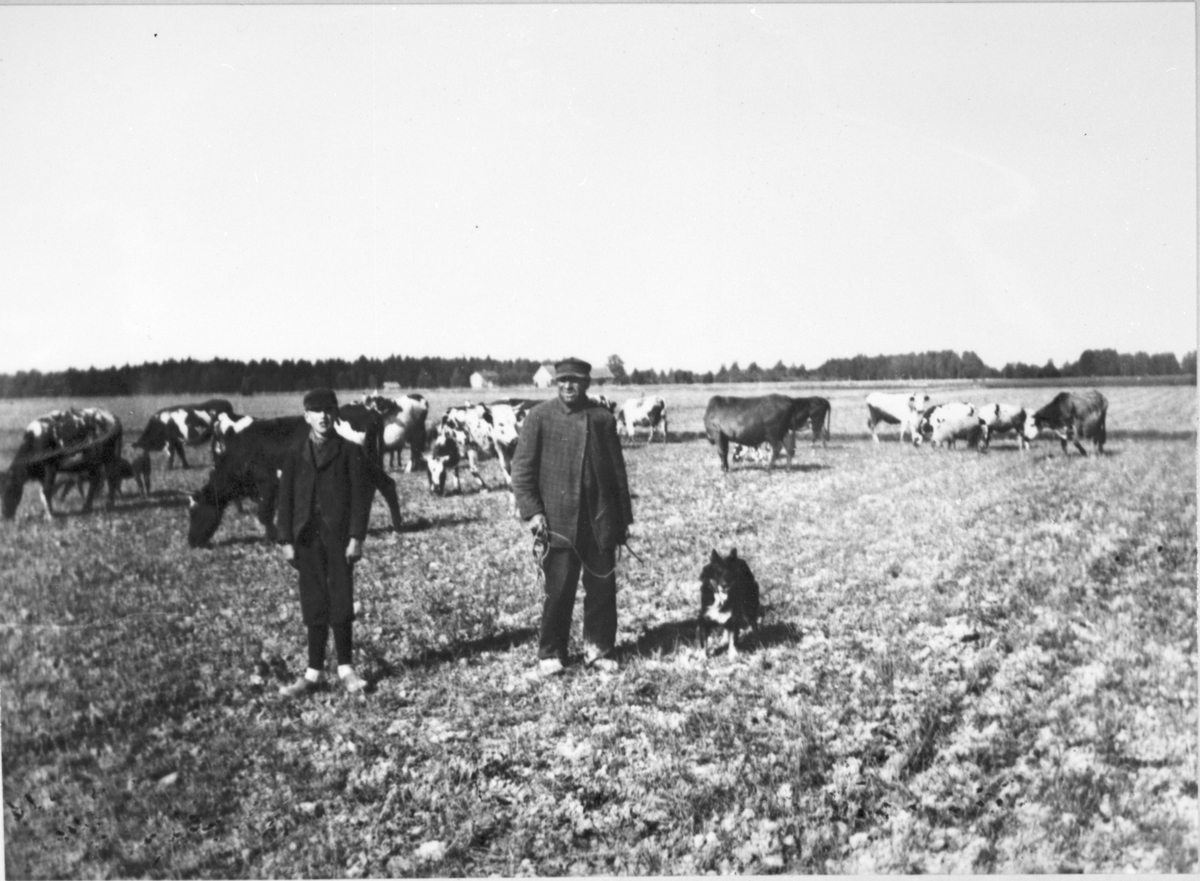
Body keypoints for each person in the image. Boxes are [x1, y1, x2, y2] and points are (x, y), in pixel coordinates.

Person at [510, 357, 634, 677]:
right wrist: (533, 512)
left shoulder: (602, 418)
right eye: (563, 380)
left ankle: (599, 650)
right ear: (556, 382)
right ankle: (552, 653)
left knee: (602, 589)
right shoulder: (539, 417)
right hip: (558, 521)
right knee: (559, 589)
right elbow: (521, 471)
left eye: (575, 380)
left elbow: (617, 473)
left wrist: (622, 519)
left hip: (599, 519)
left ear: (587, 384)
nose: (568, 385)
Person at [276, 388, 372, 697]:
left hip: (338, 537)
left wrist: (356, 537)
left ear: (335, 414)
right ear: (307, 416)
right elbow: (285, 499)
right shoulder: (295, 452)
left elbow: (360, 500)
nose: (323, 416)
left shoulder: (350, 451)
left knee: (341, 599)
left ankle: (346, 669)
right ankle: (313, 674)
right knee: (313, 601)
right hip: (306, 537)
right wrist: (285, 539)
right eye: (316, 411)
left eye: (329, 410)